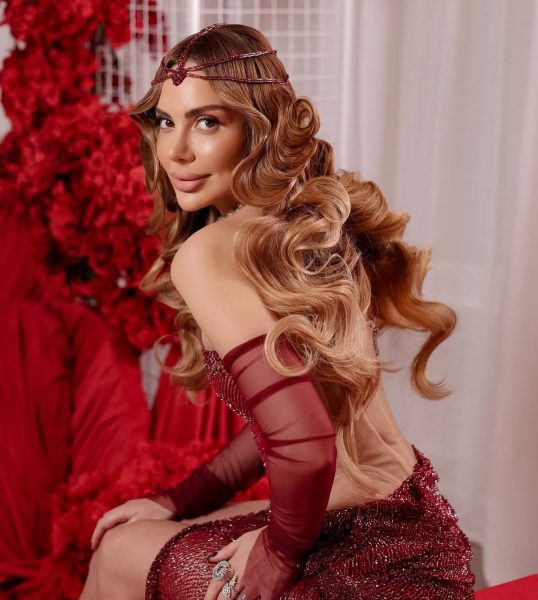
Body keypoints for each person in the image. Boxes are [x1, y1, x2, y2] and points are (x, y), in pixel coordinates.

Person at [80, 23, 475, 600]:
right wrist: (178, 501)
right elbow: (298, 419)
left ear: (258, 128)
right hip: (420, 536)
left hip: (356, 563)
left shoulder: (208, 253)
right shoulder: (302, 227)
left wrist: (277, 554)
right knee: (149, 531)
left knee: (115, 552)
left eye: (207, 122)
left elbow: (305, 443)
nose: (176, 150)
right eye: (165, 121)